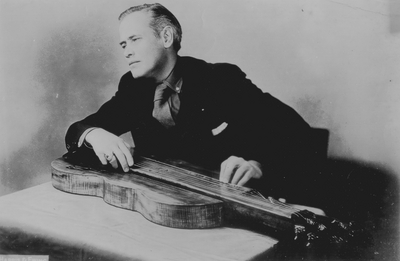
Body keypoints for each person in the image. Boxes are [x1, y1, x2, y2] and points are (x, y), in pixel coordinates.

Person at [65, 3, 317, 200]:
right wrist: (94, 133)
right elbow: (80, 128)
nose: (126, 51)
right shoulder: (133, 87)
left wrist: (258, 165)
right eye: (123, 44)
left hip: (221, 207)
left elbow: (298, 134)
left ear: (166, 37)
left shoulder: (221, 80)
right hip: (158, 205)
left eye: (134, 39)